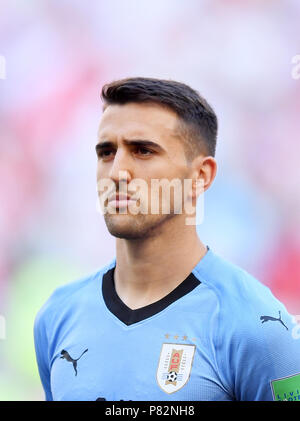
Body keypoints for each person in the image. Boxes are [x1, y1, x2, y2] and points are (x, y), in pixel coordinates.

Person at [34, 77, 300, 401]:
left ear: (200, 176)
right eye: (106, 152)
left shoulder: (256, 326)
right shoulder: (58, 316)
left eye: (143, 151)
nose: (117, 171)